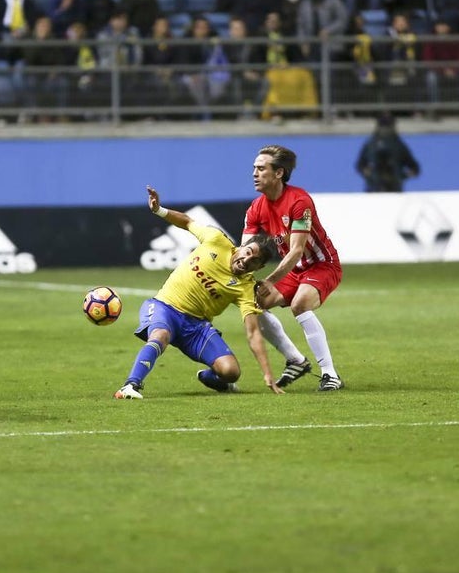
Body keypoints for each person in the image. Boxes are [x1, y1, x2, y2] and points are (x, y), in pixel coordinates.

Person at [114, 187, 284, 400]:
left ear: (258, 268)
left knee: (231, 372)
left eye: (255, 262)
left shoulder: (245, 288)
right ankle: (130, 386)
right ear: (241, 247)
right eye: (248, 252)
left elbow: (252, 333)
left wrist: (267, 373)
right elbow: (186, 221)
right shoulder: (216, 240)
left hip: (195, 327)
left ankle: (209, 378)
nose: (246, 260)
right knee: (160, 336)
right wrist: (159, 210)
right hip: (164, 307)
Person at [242, 145, 344, 391]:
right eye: (254, 168)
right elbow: (244, 248)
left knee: (300, 304)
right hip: (294, 270)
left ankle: (330, 375)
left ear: (279, 173)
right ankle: (295, 360)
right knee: (253, 304)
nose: (254, 173)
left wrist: (270, 280)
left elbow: (297, 250)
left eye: (261, 168)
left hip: (322, 265)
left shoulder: (300, 202)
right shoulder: (256, 208)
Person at [356, 114, 421, 192]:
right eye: (383, 125)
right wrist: (366, 171)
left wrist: (405, 175)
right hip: (375, 187)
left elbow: (414, 167)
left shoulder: (399, 145)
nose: (385, 129)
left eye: (388, 125)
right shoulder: (371, 145)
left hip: (394, 187)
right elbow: (360, 164)